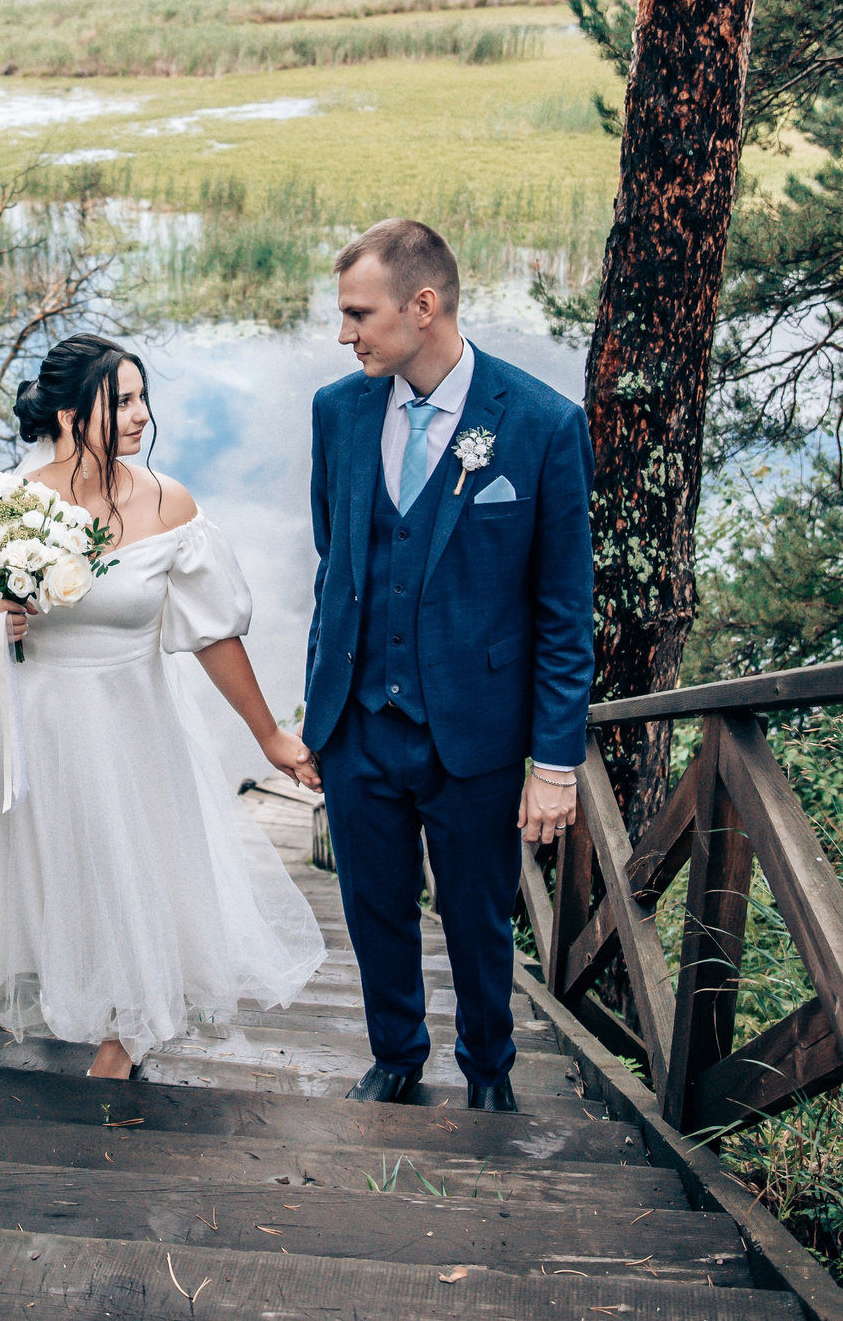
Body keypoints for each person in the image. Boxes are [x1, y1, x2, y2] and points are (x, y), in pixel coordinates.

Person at [0, 335, 326, 1081]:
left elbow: (213, 634)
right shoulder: (7, 505)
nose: (141, 416)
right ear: (71, 415)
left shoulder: (171, 505)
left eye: (142, 399)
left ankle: (123, 1031)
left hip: (131, 723)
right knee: (62, 872)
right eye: (123, 401)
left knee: (130, 868)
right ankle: (75, 995)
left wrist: (267, 733)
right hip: (34, 725)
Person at [300, 219, 594, 1112]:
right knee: (373, 908)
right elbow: (336, 560)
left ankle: (488, 1071)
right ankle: (395, 1054)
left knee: (477, 920)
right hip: (359, 725)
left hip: (477, 733)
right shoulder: (337, 411)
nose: (344, 334)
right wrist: (320, 713)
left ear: (422, 307)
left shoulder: (542, 425)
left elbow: (564, 614)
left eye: (359, 313)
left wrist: (554, 764)